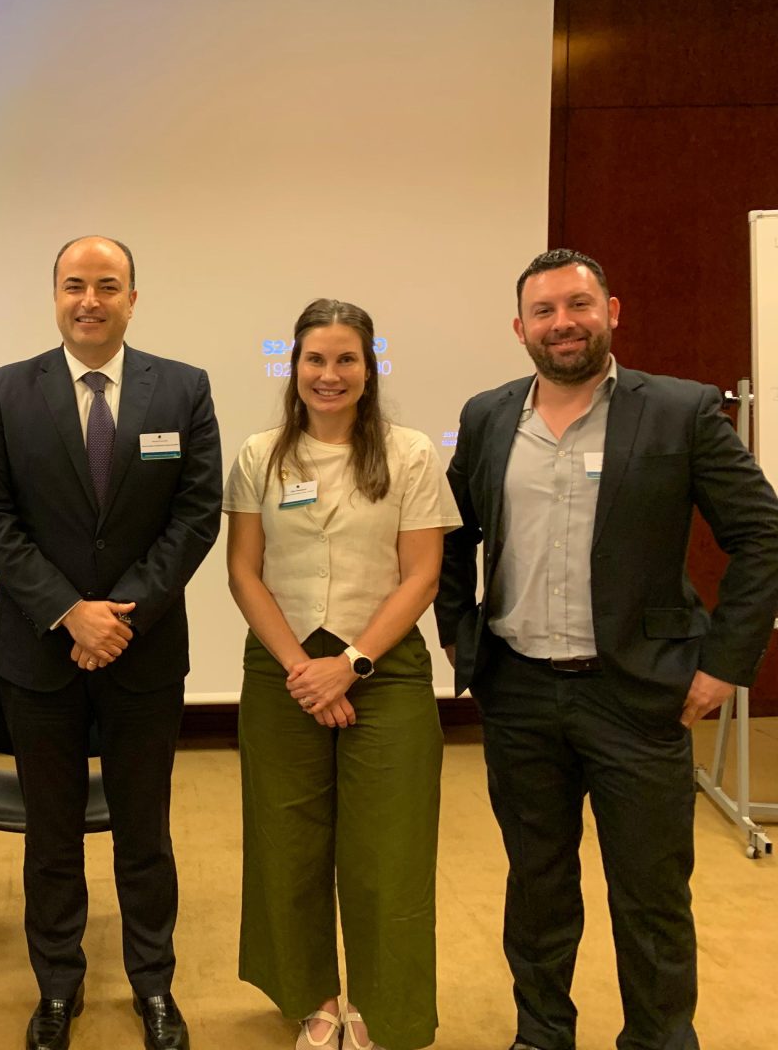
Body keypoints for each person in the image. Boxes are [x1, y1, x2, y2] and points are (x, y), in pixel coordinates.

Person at [437, 249, 778, 1050]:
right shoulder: (489, 416)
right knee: (538, 884)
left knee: (652, 895)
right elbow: (451, 538)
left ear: (612, 311)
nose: (563, 324)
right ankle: (542, 1033)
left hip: (638, 695)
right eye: (545, 311)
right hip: (519, 693)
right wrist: (467, 642)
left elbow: (762, 536)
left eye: (578, 305)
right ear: (519, 328)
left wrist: (725, 663)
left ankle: (659, 1039)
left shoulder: (682, 411)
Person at [0, 235, 221, 1050]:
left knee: (145, 830)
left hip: (143, 655)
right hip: (40, 653)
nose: (90, 300)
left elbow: (196, 514)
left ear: (133, 299)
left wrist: (122, 615)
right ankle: (58, 987)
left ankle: (154, 986)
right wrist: (71, 612)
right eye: (75, 285)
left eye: (108, 286)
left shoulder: (182, 388)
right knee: (52, 830)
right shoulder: (6, 391)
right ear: (55, 296)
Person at [224, 299, 458, 1050]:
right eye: (315, 360)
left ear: (369, 367)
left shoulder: (411, 451)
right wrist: (303, 670)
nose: (330, 375)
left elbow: (422, 576)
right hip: (282, 668)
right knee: (286, 843)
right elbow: (243, 571)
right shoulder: (261, 454)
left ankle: (384, 1014)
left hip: (383, 670)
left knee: (388, 853)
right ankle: (314, 1000)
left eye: (346, 359)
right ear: (293, 368)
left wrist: (350, 665)